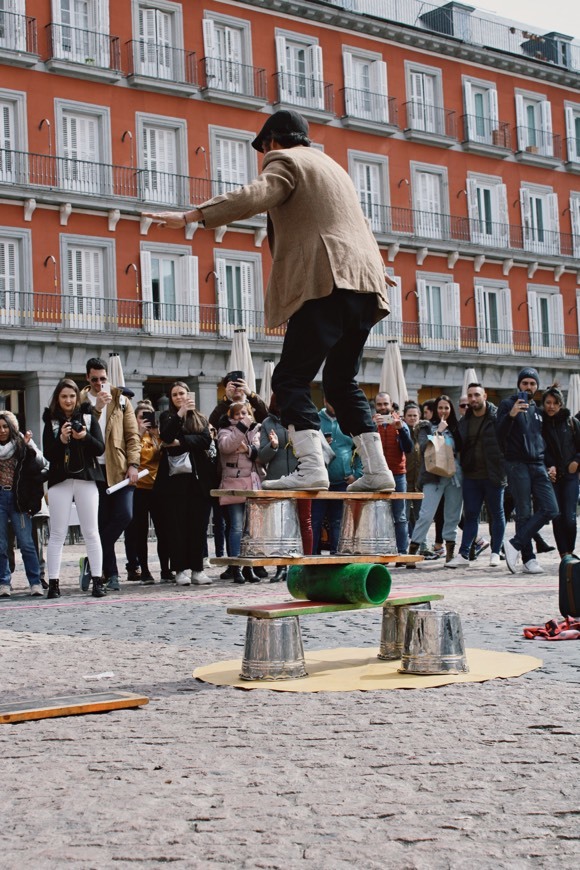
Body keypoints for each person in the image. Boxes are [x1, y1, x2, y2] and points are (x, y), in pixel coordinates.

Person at [144, 108, 396, 493]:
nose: (264, 156)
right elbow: (358, 224)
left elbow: (258, 193)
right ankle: (378, 469)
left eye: (264, 149)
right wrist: (376, 265)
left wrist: (194, 214)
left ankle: (312, 466)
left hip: (325, 281)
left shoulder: (287, 160)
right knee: (342, 381)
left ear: (274, 141)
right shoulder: (334, 168)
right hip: (363, 284)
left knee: (289, 378)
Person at [80, 358, 141, 591]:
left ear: (108, 377)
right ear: (87, 378)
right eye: (94, 379)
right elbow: (84, 432)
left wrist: (134, 464)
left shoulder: (121, 400)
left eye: (103, 379)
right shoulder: (82, 401)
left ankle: (92, 555)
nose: (99, 384)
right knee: (102, 521)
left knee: (124, 515)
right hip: (94, 470)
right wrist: (96, 410)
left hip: (120, 467)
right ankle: (111, 573)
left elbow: (132, 436)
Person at [41, 380, 105, 598]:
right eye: (63, 396)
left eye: (71, 396)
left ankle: (98, 580)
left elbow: (100, 448)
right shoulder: (50, 421)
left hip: (86, 478)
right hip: (60, 480)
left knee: (91, 531)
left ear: (78, 397)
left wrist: (84, 436)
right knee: (57, 532)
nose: (68, 400)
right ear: (57, 399)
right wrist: (61, 439)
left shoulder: (87, 417)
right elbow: (48, 453)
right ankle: (54, 584)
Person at [496, 367, 559, 574]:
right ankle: (528, 558)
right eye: (525, 383)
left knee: (551, 508)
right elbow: (499, 434)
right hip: (516, 463)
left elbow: (542, 440)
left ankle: (515, 543)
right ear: (519, 385)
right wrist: (511, 415)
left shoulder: (537, 410)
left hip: (538, 464)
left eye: (533, 384)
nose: (529, 387)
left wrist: (550, 463)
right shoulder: (507, 404)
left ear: (537, 386)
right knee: (524, 512)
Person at [155, 382, 212, 586]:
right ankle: (179, 569)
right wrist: (179, 415)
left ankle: (197, 568)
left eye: (182, 393)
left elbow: (205, 440)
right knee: (177, 526)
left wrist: (182, 442)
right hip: (174, 481)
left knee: (198, 526)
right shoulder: (167, 417)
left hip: (198, 480)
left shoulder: (200, 417)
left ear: (188, 395)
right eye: (175, 394)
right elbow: (167, 436)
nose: (179, 397)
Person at [447, 384, 506, 568]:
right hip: (472, 475)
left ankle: (496, 552)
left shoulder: (498, 418)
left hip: (494, 474)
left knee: (496, 514)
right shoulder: (465, 421)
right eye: (470, 396)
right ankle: (464, 555)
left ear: (485, 396)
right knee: (471, 515)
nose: (473, 399)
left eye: (476, 395)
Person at [258, 395, 313, 582]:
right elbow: (261, 457)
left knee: (304, 521)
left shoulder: (301, 418)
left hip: (303, 477)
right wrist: (273, 446)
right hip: (278, 480)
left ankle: (305, 565)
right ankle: (281, 567)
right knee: (281, 526)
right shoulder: (267, 423)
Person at [408, 395, 463, 564]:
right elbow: (424, 447)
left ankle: (449, 553)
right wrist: (438, 431)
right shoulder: (425, 427)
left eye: (446, 408)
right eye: (440, 408)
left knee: (453, 515)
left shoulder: (456, 428)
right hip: (433, 476)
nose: (443, 411)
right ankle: (413, 551)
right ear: (434, 410)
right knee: (426, 514)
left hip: (454, 477)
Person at [123, 401, 172, 585]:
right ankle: (144, 569)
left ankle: (165, 569)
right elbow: (131, 455)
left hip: (158, 488)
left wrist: (156, 434)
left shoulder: (157, 436)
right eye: (141, 417)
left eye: (149, 417)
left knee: (163, 530)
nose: (146, 420)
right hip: (139, 489)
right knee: (140, 531)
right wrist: (139, 433)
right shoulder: (133, 438)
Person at [0, 411, 45, 597]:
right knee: (1, 544)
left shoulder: (21, 446)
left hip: (19, 500)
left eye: (4, 426)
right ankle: (3, 582)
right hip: (0, 498)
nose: (1, 431)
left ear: (11, 428)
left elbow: (39, 466)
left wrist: (29, 446)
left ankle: (35, 582)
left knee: (26, 543)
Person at [218, 401, 263, 584]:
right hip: (234, 484)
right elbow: (226, 447)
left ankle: (248, 566)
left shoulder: (255, 431)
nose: (241, 417)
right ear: (231, 416)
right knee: (236, 525)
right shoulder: (225, 430)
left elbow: (261, 455)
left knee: (250, 529)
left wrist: (249, 450)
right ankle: (236, 566)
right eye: (237, 414)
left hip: (252, 483)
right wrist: (242, 428)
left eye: (244, 413)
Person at [311, 401, 360, 555]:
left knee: (338, 521)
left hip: (342, 482)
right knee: (314, 521)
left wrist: (357, 474)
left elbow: (360, 449)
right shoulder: (315, 419)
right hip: (319, 482)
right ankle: (311, 558)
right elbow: (305, 446)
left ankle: (337, 557)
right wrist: (321, 444)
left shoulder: (349, 419)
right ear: (325, 401)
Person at [541, 385, 580, 558]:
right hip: (553, 477)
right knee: (556, 517)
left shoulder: (572, 422)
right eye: (548, 402)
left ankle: (570, 552)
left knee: (570, 519)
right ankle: (564, 554)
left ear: (561, 405)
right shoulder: (540, 424)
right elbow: (539, 450)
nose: (551, 406)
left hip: (571, 476)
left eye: (555, 403)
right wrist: (548, 466)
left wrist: (577, 461)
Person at [373, 392, 413, 555]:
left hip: (397, 474)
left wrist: (400, 429)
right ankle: (381, 551)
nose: (383, 407)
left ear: (391, 405)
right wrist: (370, 426)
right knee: (378, 516)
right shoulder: (371, 423)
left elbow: (408, 448)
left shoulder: (400, 424)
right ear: (375, 406)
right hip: (377, 474)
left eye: (385, 404)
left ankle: (402, 551)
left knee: (400, 516)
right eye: (379, 404)